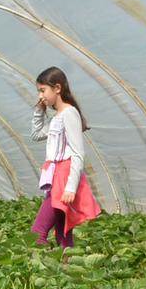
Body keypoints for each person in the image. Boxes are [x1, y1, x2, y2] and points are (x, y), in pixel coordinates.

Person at [30, 66, 101, 249]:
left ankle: (40, 268)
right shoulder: (57, 117)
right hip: (56, 177)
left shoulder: (69, 114)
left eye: (43, 90)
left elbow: (77, 153)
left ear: (57, 88)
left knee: (38, 232)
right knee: (63, 232)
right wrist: (39, 109)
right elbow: (36, 134)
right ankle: (68, 269)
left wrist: (70, 188)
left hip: (64, 178)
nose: (41, 96)